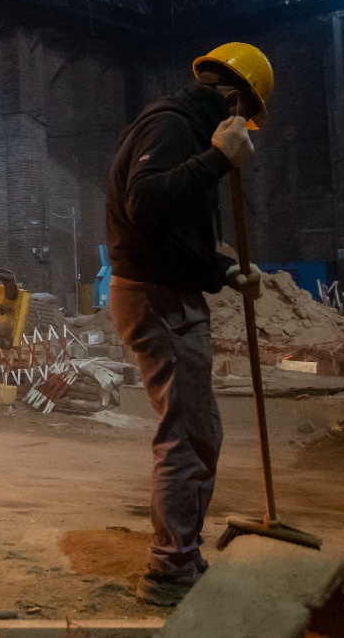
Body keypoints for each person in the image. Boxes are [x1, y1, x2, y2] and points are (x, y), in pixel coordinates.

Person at [104, 42, 272, 605]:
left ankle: (182, 557)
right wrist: (218, 160)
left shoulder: (180, 127)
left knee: (196, 431)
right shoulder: (174, 127)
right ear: (229, 98)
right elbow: (145, 203)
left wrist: (224, 269)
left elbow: (173, 233)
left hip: (161, 289)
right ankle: (172, 569)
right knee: (187, 435)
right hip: (158, 298)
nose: (243, 130)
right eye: (243, 117)